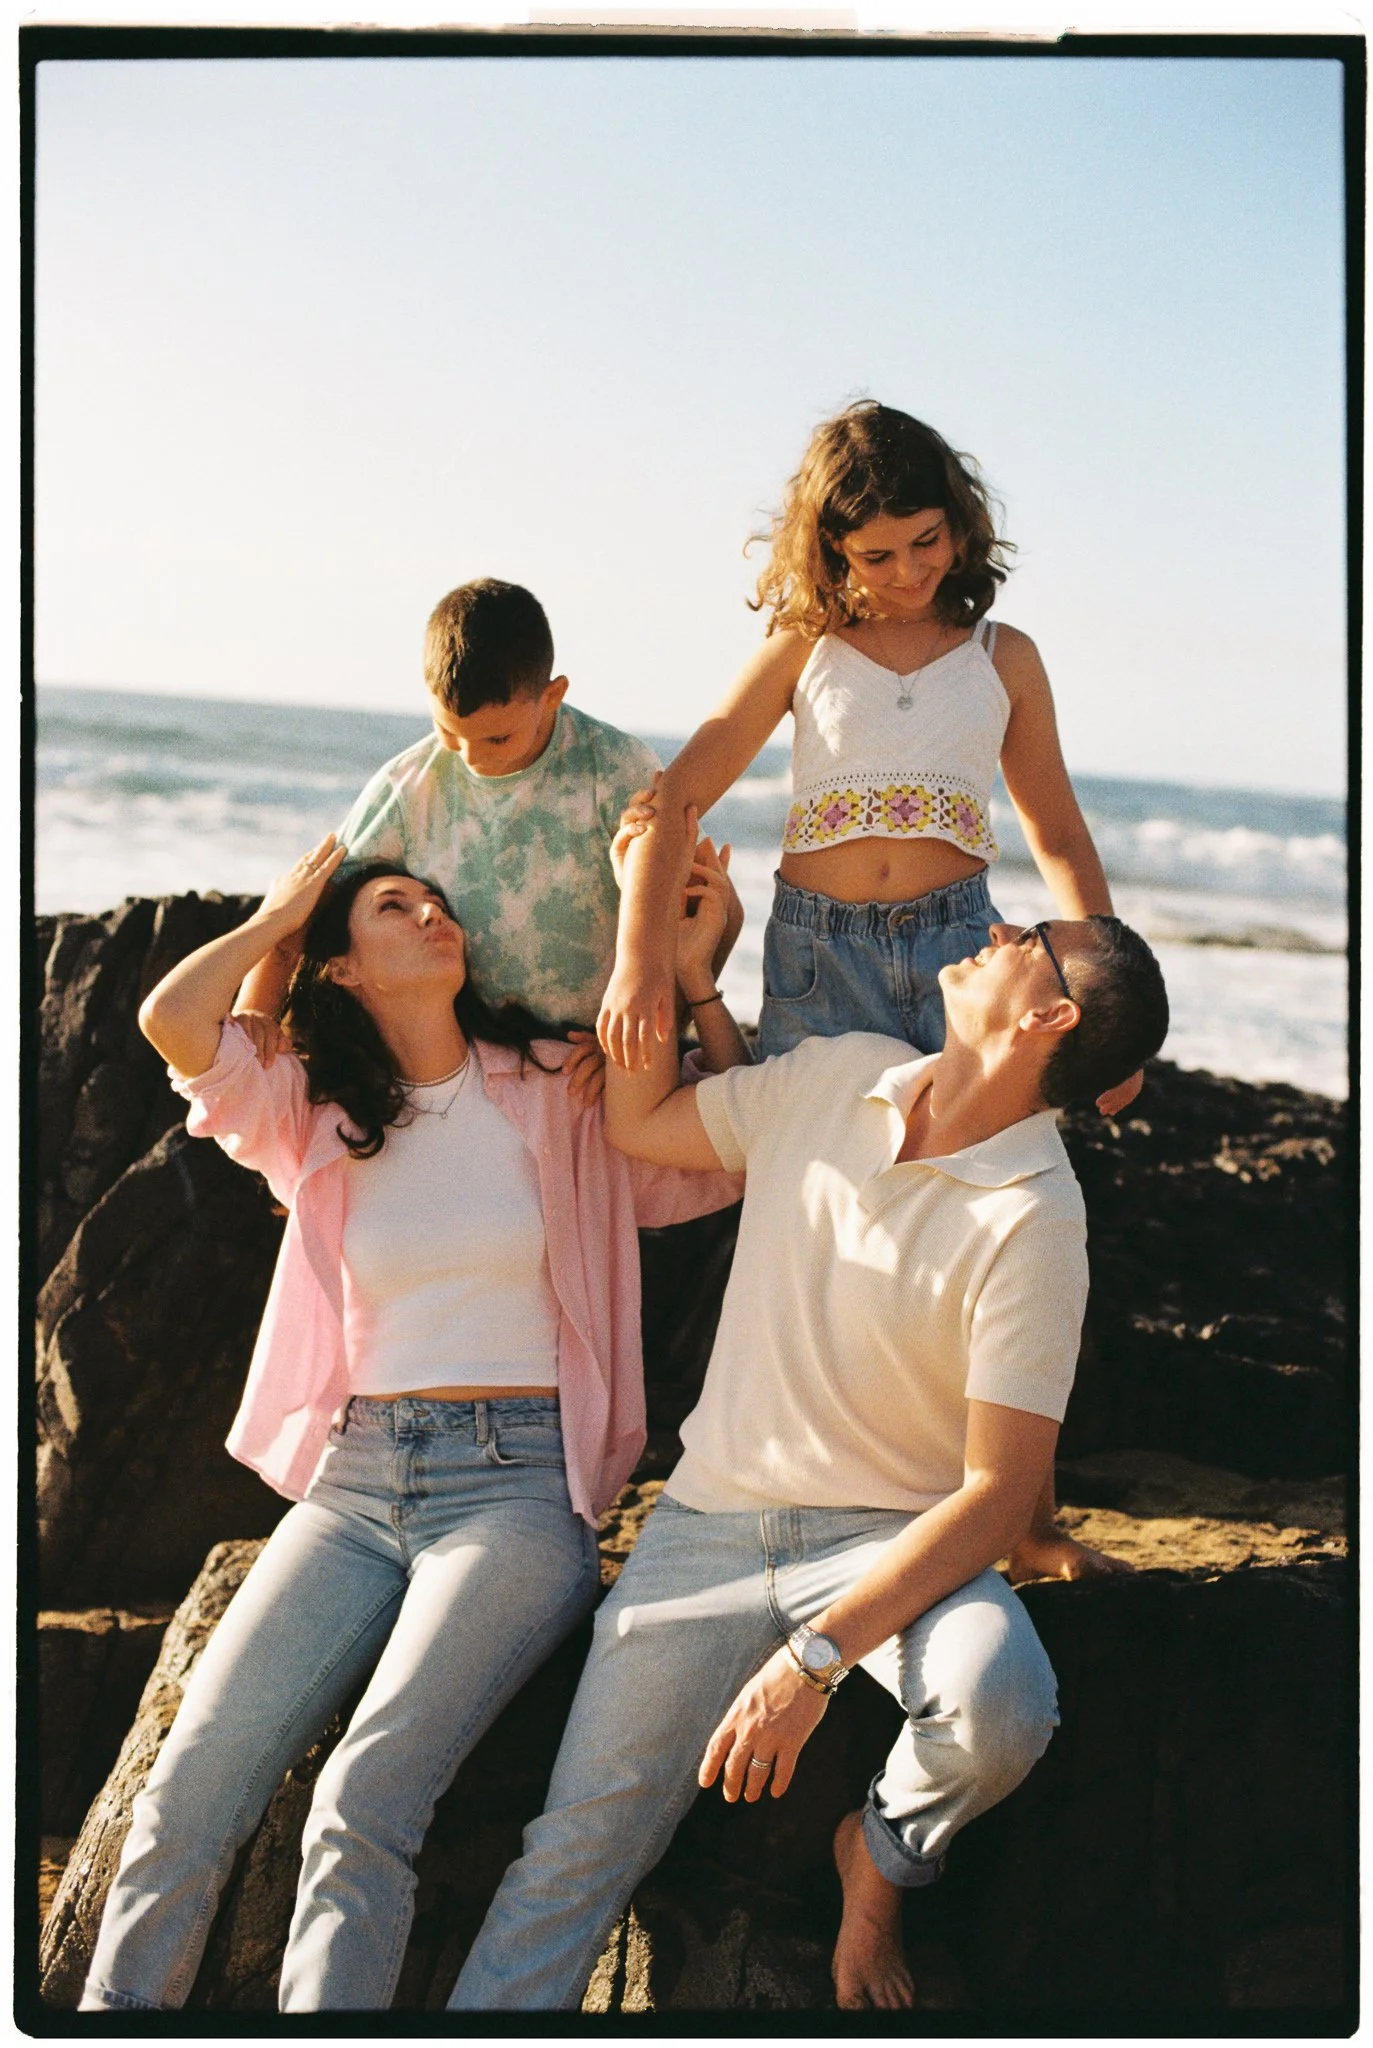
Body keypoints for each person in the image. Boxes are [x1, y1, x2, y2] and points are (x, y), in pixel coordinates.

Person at [448, 912, 1169, 2013]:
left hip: (891, 1540)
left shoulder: (1036, 1215)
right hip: (702, 1530)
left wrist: (812, 1663)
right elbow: (640, 1121)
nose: (990, 922)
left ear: (1047, 1016)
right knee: (574, 1851)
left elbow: (992, 1491)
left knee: (998, 1708)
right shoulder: (840, 1074)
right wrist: (679, 974)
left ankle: (875, 1861)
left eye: (1024, 933)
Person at [79, 830, 744, 2015]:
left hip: (517, 1487)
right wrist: (279, 921)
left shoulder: (558, 1082)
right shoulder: (314, 1113)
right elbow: (175, 1024)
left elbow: (722, 1149)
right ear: (341, 964)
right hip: (352, 1484)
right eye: (395, 906)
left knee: (362, 1795)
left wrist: (698, 974)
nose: (434, 914)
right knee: (190, 1782)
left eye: (438, 902)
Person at [604, 399, 1142, 1582]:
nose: (906, 573)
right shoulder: (804, 646)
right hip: (819, 955)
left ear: (960, 527)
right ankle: (813, 1474)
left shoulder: (1004, 659)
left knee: (993, 1202)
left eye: (925, 542)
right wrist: (642, 958)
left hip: (960, 955)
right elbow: (672, 797)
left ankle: (1026, 1515)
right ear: (827, 551)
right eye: (874, 553)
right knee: (812, 1200)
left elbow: (1055, 831)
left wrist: (1106, 1012)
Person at [234, 576, 739, 1100]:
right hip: (476, 1069)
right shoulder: (410, 785)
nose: (472, 757)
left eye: (497, 737)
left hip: (591, 1063)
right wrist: (256, 1009)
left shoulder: (615, 768)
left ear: (552, 696)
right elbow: (313, 908)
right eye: (449, 732)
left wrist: (644, 1045)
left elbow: (697, 919)